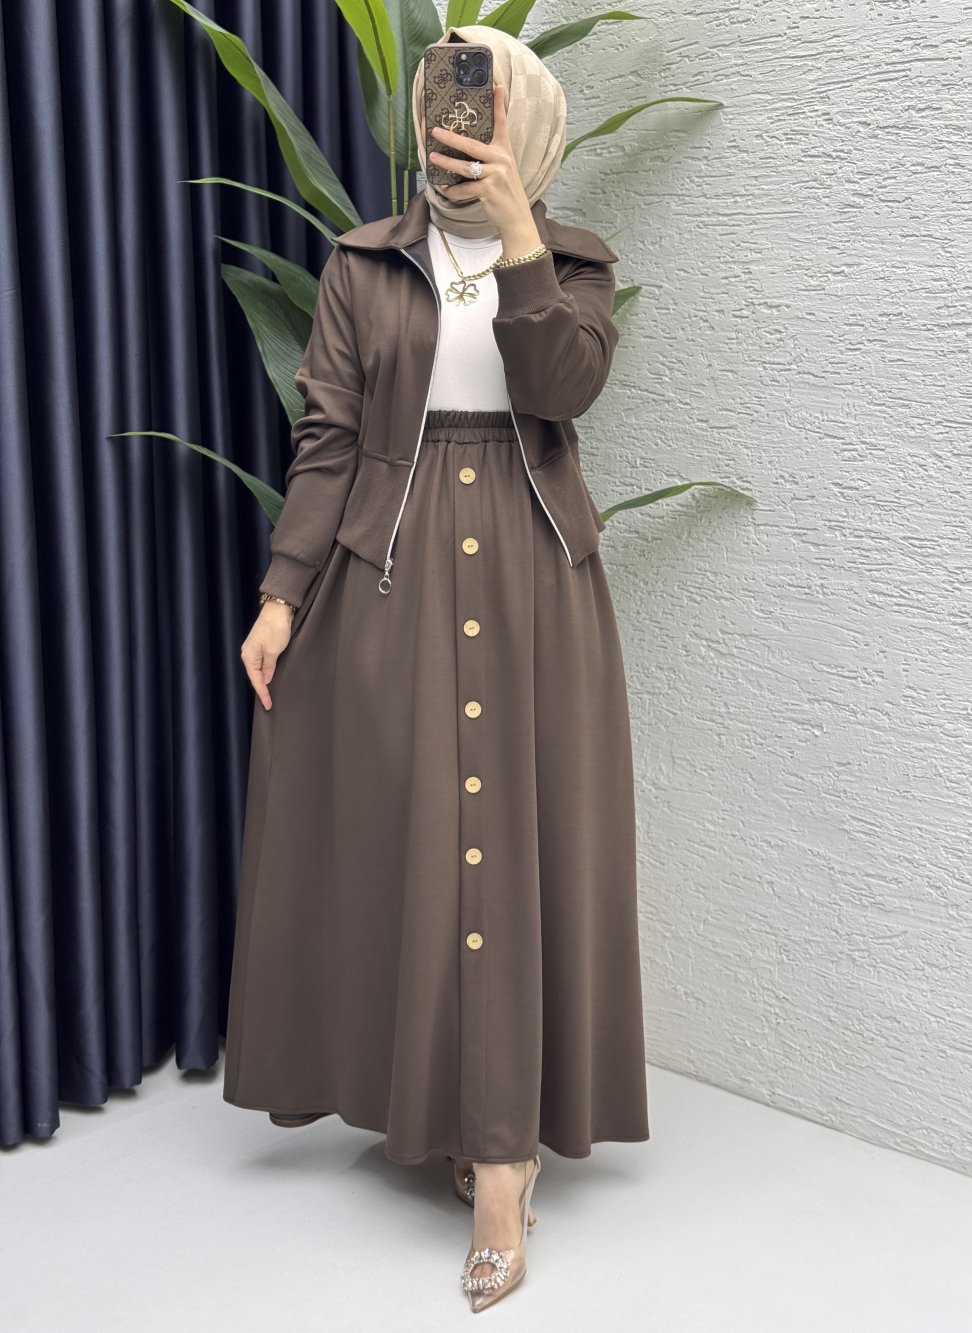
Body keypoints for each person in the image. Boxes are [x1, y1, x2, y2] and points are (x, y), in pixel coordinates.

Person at [223, 23, 650, 1313]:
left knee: (514, 845)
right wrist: (282, 595)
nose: (448, 123)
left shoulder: (576, 262)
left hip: (532, 582)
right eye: (436, 100)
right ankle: (446, 1108)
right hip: (391, 577)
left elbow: (563, 389)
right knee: (415, 840)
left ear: (526, 122)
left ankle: (504, 1167)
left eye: (480, 101)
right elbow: (330, 437)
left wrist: (518, 236)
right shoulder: (362, 265)